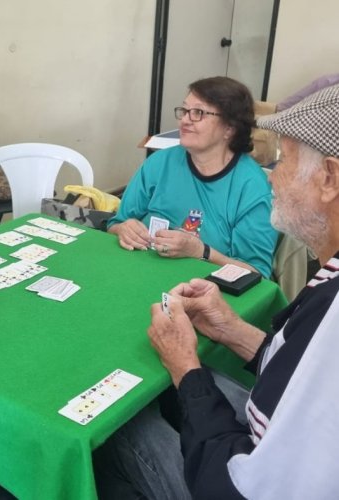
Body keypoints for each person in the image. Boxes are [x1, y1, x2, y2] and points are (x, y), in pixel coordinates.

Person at [94, 83, 339, 498]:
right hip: (270, 437)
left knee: (117, 422)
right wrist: (230, 329)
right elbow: (297, 379)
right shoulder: (327, 288)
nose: (271, 175)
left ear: (329, 178)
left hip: (234, 479)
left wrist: (185, 365)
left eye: (282, 159)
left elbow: (233, 487)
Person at [107, 76, 277, 278]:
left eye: (199, 113)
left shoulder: (252, 187)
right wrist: (124, 229)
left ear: (229, 128)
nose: (186, 119)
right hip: (139, 273)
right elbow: (115, 224)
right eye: (185, 111)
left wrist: (201, 251)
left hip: (204, 292)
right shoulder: (160, 162)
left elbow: (257, 274)